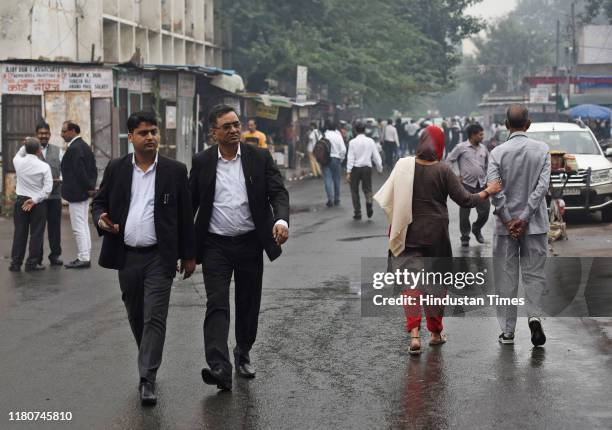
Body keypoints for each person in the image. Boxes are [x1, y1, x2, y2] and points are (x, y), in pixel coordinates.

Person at [92, 112, 196, 406]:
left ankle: (147, 378)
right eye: (143, 133)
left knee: (155, 317)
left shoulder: (175, 171)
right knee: (136, 315)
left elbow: (185, 216)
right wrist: (101, 219)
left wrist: (189, 256)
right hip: (127, 256)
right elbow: (99, 202)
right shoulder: (117, 168)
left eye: (154, 132)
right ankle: (147, 358)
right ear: (131, 138)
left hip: (159, 258)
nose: (150, 137)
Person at [374, 125, 501, 355]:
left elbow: (390, 198)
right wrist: (488, 191)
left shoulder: (403, 166)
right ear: (440, 145)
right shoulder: (443, 170)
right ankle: (434, 333)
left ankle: (414, 336)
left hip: (408, 235)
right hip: (437, 236)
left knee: (410, 286)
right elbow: (466, 200)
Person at [189, 105, 289, 391]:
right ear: (214, 132)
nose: (234, 130)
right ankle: (219, 366)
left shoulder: (259, 157)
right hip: (214, 245)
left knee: (247, 301)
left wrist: (281, 220)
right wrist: (183, 248)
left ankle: (243, 351)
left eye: (237, 124)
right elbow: (190, 203)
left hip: (249, 242)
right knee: (216, 303)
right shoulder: (203, 161)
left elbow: (278, 192)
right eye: (227, 126)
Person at [487, 105, 550, 347]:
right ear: (529, 123)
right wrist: (524, 217)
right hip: (535, 225)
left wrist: (509, 219)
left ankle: (508, 332)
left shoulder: (497, 153)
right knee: (534, 276)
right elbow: (541, 188)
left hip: (505, 229)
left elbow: (495, 190)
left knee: (506, 279)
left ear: (505, 125)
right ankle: (534, 318)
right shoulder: (542, 150)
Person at [9, 138, 53, 272]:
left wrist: (26, 144)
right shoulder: (44, 166)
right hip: (37, 204)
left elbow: (20, 152)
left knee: (19, 233)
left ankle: (15, 263)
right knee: (37, 233)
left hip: (21, 201)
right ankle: (32, 263)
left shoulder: (18, 162)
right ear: (39, 151)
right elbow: (48, 188)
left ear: (25, 148)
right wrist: (34, 200)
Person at [60, 120, 97, 269]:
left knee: (78, 226)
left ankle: (83, 257)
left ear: (73, 131)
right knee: (83, 224)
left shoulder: (75, 148)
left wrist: (88, 186)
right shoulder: (84, 146)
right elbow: (92, 169)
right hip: (83, 192)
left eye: (64, 131)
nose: (62, 134)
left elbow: (79, 171)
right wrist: (90, 187)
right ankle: (85, 254)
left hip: (77, 193)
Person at [446, 123, 490, 247]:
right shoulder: (461, 147)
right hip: (465, 185)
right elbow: (449, 160)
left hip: (481, 185)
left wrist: (488, 178)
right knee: (464, 214)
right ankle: (465, 236)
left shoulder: (484, 148)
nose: (482, 136)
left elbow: (488, 165)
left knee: (485, 211)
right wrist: (455, 176)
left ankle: (476, 228)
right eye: (480, 134)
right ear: (473, 135)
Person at [35, 122, 63, 266]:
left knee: (54, 227)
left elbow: (63, 169)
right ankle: (37, 258)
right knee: (38, 228)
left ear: (50, 135)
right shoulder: (30, 151)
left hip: (54, 196)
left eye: (46, 133)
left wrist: (61, 179)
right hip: (38, 197)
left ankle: (55, 256)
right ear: (36, 135)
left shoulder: (58, 150)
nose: (43, 136)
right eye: (41, 133)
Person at [346, 122, 382, 220]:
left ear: (355, 130)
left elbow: (350, 158)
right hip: (367, 168)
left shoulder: (352, 142)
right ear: (365, 130)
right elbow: (376, 156)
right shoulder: (370, 141)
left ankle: (357, 213)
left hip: (355, 169)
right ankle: (369, 201)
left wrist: (348, 172)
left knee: (354, 191)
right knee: (368, 188)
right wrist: (379, 168)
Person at [322, 120, 346, 207]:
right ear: (335, 127)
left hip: (325, 159)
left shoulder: (324, 135)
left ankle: (330, 199)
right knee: (336, 180)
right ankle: (337, 199)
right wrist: (341, 159)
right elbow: (343, 150)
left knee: (327, 179)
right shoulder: (338, 136)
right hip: (336, 159)